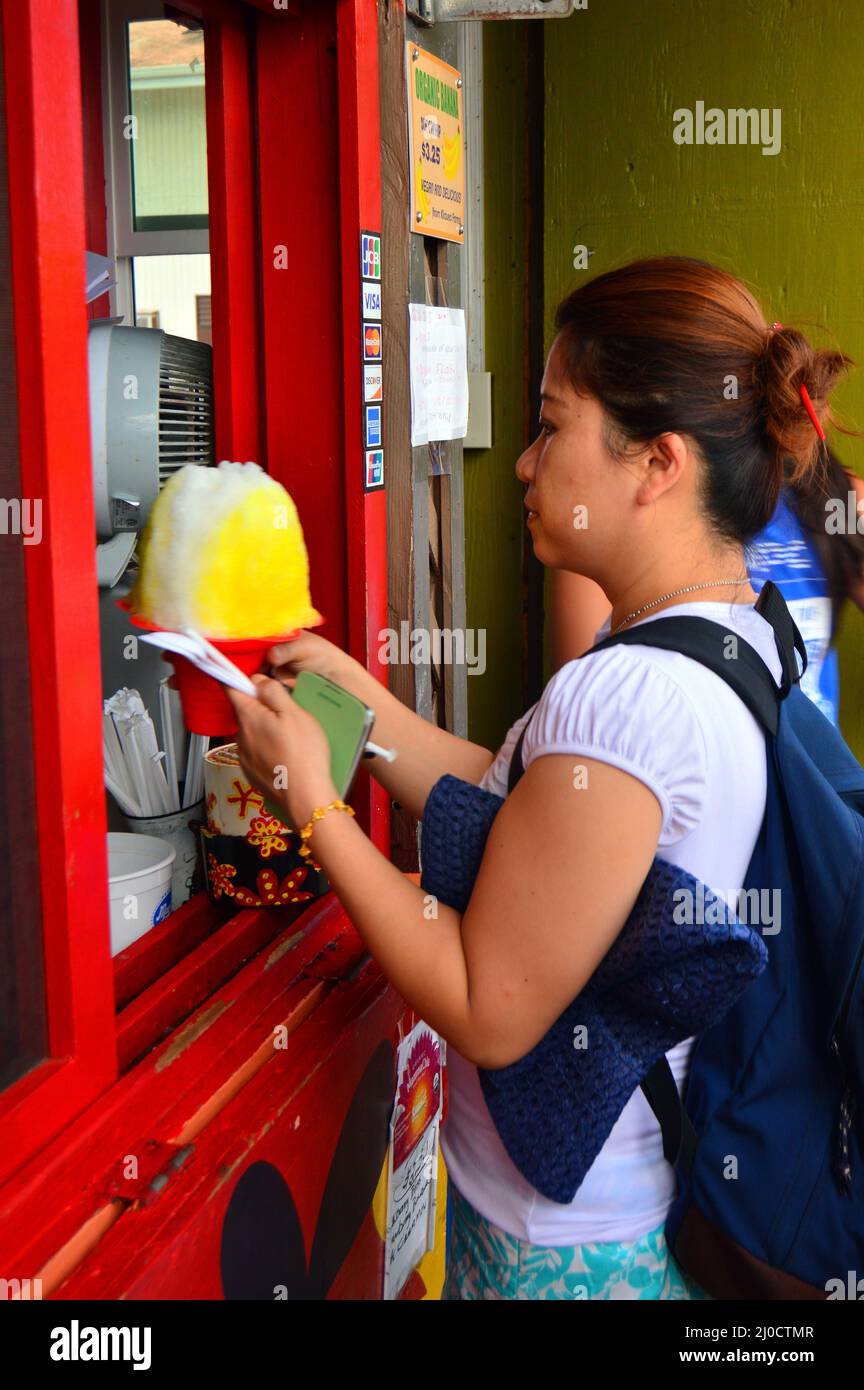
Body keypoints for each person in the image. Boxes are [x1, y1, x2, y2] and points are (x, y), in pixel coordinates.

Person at [225, 255, 854, 1300]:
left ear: (655, 464)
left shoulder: (625, 696)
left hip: (557, 1247)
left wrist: (315, 804)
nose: (523, 463)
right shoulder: (726, 635)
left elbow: (489, 1000)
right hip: (612, 1209)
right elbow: (540, 825)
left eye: (551, 426)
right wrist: (355, 710)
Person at [551, 448, 864, 724]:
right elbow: (588, 717)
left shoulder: (835, 497)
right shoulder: (624, 516)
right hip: (699, 781)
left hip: (810, 781)